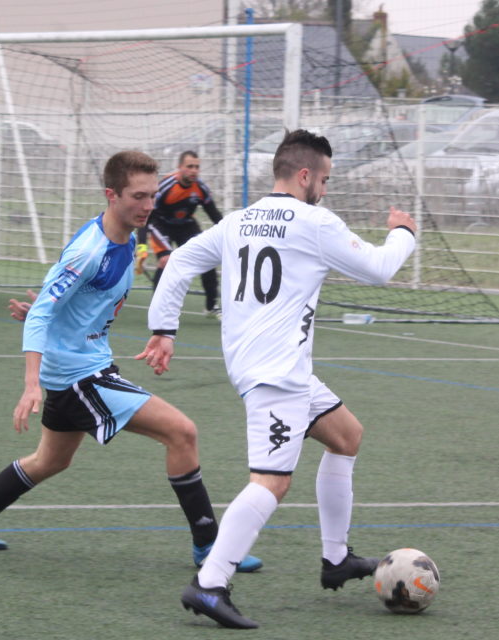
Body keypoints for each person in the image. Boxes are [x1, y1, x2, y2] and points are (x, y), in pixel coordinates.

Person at [137, 130, 419, 629]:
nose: (326, 190)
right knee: (272, 481)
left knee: (346, 436)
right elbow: (379, 269)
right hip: (276, 374)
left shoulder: (239, 221)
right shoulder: (314, 222)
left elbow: (178, 262)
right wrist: (403, 233)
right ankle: (210, 583)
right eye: (325, 179)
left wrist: (164, 329)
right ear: (305, 175)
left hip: (270, 366)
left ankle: (336, 559)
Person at [0, 150, 263, 576]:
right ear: (112, 194)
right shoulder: (90, 250)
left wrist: (51, 314)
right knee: (182, 432)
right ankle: (210, 548)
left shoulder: (127, 238)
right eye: (137, 196)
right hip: (78, 377)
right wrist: (31, 382)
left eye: (151, 196)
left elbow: (57, 303)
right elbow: (43, 311)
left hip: (83, 368)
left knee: (49, 461)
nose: (148, 205)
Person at [144, 150, 223, 318]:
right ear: (180, 167)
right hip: (162, 224)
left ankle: (211, 307)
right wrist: (141, 244)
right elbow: (148, 215)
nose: (194, 170)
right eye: (190, 166)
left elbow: (214, 214)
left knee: (207, 259)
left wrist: (232, 233)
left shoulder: (201, 188)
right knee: (166, 261)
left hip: (186, 225)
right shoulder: (165, 187)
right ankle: (157, 308)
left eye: (197, 167)